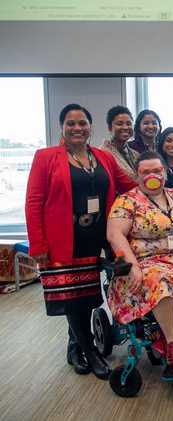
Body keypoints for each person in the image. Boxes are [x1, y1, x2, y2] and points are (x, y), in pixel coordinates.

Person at [25, 103, 136, 380]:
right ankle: (91, 352)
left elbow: (128, 186)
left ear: (90, 126)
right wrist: (37, 245)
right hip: (62, 240)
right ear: (61, 127)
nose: (77, 128)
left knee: (87, 297)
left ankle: (75, 347)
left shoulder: (102, 157)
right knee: (73, 300)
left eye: (82, 123)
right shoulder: (46, 157)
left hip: (95, 238)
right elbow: (34, 202)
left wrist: (160, 187)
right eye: (71, 123)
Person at [106, 151, 173, 378]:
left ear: (164, 173)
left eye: (157, 170)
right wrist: (133, 265)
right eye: (146, 172)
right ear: (137, 176)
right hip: (146, 263)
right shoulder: (127, 201)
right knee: (162, 284)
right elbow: (114, 234)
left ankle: (163, 340)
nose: (152, 175)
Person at [100, 105, 139, 180]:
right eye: (119, 124)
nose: (125, 127)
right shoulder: (102, 154)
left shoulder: (135, 154)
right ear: (110, 127)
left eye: (128, 124)